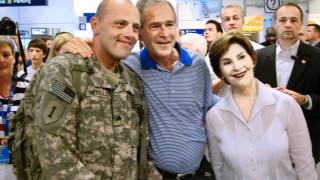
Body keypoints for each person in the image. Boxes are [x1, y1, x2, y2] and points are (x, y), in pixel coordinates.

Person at [61, 0, 215, 179]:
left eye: (169, 24)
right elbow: (97, 59)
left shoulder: (198, 64)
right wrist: (68, 48)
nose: (164, 33)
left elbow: (205, 111)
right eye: (155, 26)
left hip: (199, 172)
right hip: (154, 174)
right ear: (140, 34)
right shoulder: (129, 67)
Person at [19, 0, 160, 179]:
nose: (129, 34)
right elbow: (53, 150)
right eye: (120, 24)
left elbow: (141, 155)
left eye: (135, 27)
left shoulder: (132, 82)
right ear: (95, 25)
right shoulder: (65, 72)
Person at [206, 31, 317, 180]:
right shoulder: (215, 116)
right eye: (227, 62)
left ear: (252, 59)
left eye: (241, 57)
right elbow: (219, 169)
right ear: (220, 73)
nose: (237, 66)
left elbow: (304, 164)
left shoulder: (285, 104)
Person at [255, 2, 320, 164]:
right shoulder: (258, 57)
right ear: (275, 24)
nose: (288, 24)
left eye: (293, 20)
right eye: (283, 20)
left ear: (301, 25)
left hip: (307, 137)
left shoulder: (317, 57)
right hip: (267, 136)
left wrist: (305, 99)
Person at [0, 35, 21, 180]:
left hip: (21, 164)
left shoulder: (31, 86)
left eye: (6, 55)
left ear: (14, 58)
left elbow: (66, 95)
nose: (1, 59)